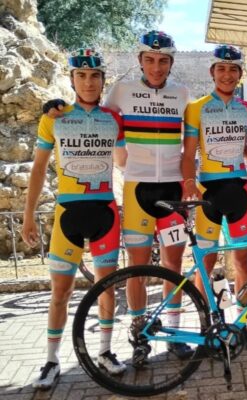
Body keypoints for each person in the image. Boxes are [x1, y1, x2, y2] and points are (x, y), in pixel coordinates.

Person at [42, 31, 198, 361]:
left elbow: (195, 137)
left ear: (171, 63)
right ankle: (139, 333)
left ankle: (173, 331)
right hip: (137, 189)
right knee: (137, 269)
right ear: (140, 60)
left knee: (173, 263)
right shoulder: (121, 91)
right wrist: (56, 107)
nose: (156, 67)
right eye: (150, 60)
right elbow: (92, 114)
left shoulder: (182, 93)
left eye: (163, 61)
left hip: (173, 193)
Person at [21, 49, 127, 390]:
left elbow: (125, 160)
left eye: (94, 76)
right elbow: (39, 169)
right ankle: (51, 360)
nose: (88, 82)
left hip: (105, 212)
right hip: (68, 213)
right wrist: (28, 216)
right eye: (81, 76)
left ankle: (105, 351)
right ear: (72, 80)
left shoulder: (114, 118)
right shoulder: (54, 117)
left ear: (103, 81)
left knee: (107, 287)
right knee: (60, 291)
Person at [183, 44, 247, 349]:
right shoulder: (196, 108)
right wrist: (189, 182)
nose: (227, 75)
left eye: (233, 69)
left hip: (239, 191)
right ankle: (208, 325)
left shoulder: (246, 108)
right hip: (209, 193)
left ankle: (242, 323)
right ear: (212, 72)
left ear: (239, 74)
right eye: (221, 69)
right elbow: (189, 153)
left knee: (242, 261)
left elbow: (242, 147)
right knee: (206, 262)